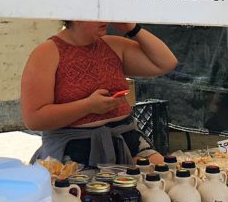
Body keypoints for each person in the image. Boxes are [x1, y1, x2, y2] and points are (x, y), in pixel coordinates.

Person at [21, 21, 177, 167]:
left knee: (168, 178)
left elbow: (166, 63)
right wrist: (87, 106)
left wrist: (133, 28)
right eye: (96, 13)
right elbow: (34, 119)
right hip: (74, 149)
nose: (105, 19)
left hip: (127, 139)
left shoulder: (112, 44)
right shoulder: (47, 52)